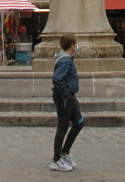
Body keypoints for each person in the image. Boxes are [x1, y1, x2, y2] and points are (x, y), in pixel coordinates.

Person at [50, 33, 83, 172]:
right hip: (65, 97)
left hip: (69, 96)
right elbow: (57, 79)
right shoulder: (65, 60)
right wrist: (66, 94)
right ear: (72, 45)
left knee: (79, 122)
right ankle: (56, 160)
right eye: (76, 43)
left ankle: (64, 153)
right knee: (62, 127)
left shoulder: (66, 58)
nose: (77, 46)